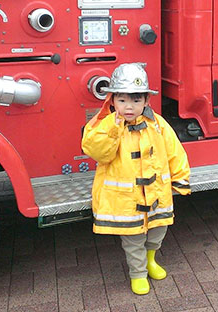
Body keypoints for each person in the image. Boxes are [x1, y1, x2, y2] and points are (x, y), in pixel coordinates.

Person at [81, 63, 191, 295]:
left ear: (146, 102)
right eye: (122, 101)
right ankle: (138, 273)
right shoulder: (104, 126)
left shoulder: (158, 125)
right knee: (133, 241)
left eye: (135, 100)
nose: (129, 107)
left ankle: (151, 260)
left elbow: (175, 152)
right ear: (111, 101)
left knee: (158, 231)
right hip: (125, 201)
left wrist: (180, 179)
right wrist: (114, 128)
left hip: (157, 195)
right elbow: (98, 151)